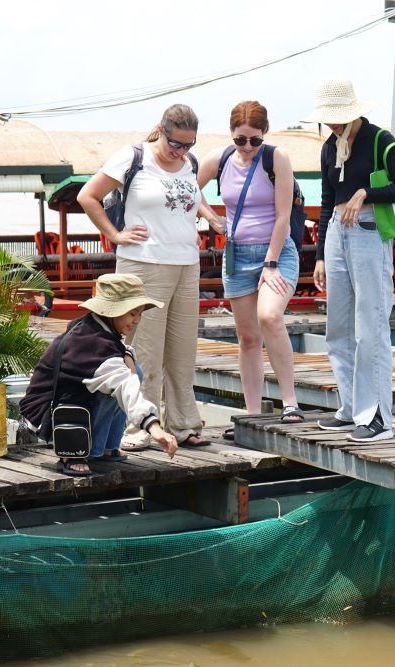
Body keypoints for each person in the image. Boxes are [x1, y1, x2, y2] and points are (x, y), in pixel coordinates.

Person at [77, 104, 210, 450]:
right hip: (144, 263)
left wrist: (206, 217)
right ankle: (140, 427)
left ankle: (183, 424)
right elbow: (87, 196)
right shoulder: (133, 157)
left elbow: (192, 198)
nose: (180, 151)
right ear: (161, 131)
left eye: (188, 145)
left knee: (182, 349)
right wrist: (115, 235)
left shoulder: (190, 164)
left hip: (186, 263)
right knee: (144, 350)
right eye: (175, 144)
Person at [304, 79, 395, 442]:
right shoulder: (328, 148)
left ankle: (379, 416)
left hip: (368, 231)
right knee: (338, 328)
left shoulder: (380, 140)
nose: (334, 124)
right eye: (329, 119)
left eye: (339, 118)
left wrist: (366, 193)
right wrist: (320, 254)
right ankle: (351, 407)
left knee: (371, 326)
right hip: (337, 232)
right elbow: (325, 201)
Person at [196, 101, 304, 439]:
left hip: (276, 250)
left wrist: (271, 262)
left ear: (264, 135)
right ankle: (252, 414)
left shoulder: (277, 158)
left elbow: (284, 215)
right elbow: (186, 187)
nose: (247, 148)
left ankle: (290, 402)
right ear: (231, 134)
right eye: (241, 140)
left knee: (270, 318)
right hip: (236, 254)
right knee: (246, 337)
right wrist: (210, 215)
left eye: (254, 141)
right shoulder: (221, 158)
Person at [19, 273, 178, 476]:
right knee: (123, 379)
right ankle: (76, 452)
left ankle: (105, 446)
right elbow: (123, 385)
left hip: (66, 403)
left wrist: (127, 357)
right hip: (48, 415)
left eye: (140, 314)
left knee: (132, 370)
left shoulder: (92, 326)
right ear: (113, 311)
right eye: (132, 314)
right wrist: (154, 429)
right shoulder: (91, 343)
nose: (137, 320)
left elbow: (120, 354)